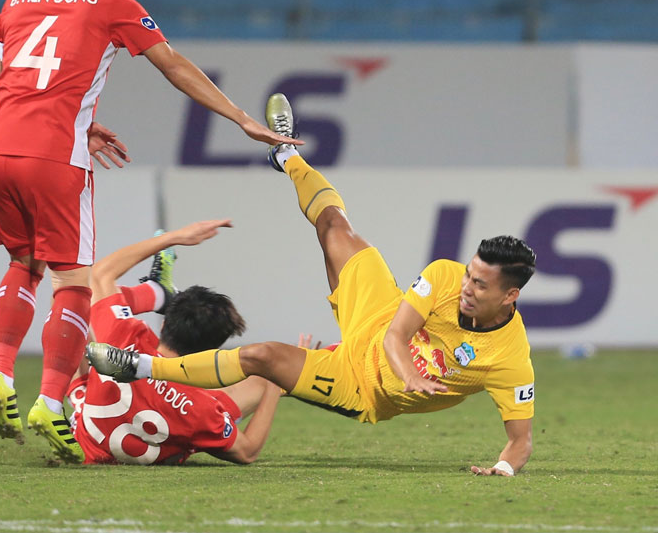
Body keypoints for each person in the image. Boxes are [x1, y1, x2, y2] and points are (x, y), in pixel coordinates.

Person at [0, 0, 301, 463]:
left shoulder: (15, 1)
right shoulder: (112, 2)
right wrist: (241, 119)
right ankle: (50, 403)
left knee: (22, 263)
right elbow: (173, 65)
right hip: (54, 155)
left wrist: (83, 119)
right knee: (75, 281)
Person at [88, 93, 537, 477]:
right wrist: (410, 374)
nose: (467, 286)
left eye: (480, 284)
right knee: (334, 226)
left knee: (262, 356)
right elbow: (397, 335)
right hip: (380, 318)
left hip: (357, 385)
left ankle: (140, 368)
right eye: (470, 275)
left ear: (510, 295)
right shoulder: (444, 275)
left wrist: (502, 469)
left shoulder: (511, 360)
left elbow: (520, 443)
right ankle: (287, 156)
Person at [67, 221, 280, 465]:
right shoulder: (202, 408)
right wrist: (276, 381)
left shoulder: (126, 334)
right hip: (184, 412)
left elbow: (101, 274)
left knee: (71, 303)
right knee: (263, 379)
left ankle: (156, 292)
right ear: (212, 352)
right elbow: (247, 451)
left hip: (84, 441)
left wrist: (173, 238)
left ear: (164, 324)